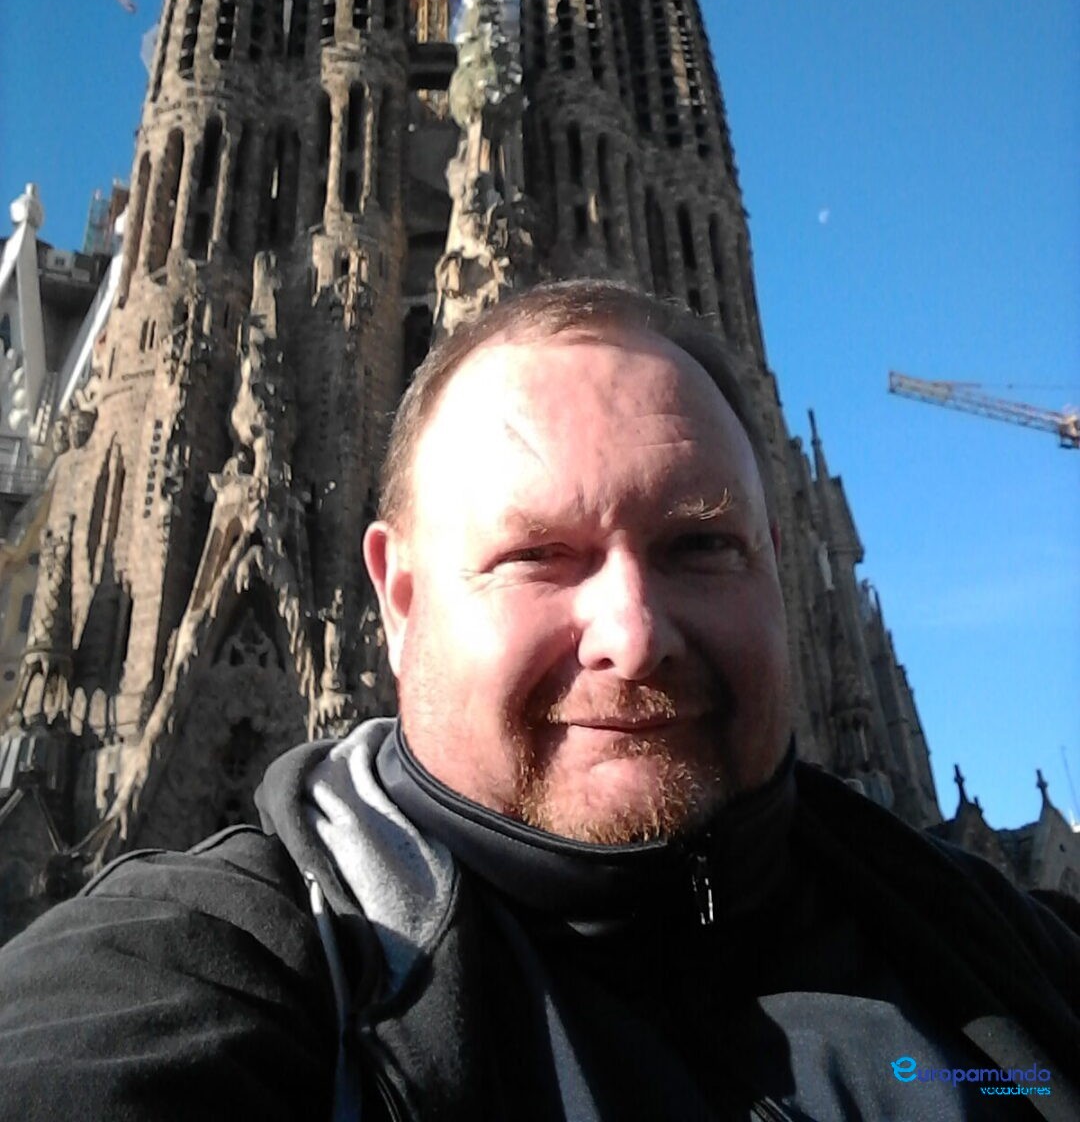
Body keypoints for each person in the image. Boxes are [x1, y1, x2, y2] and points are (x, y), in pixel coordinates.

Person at [0, 279, 1077, 1122]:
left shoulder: (1009, 963)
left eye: (699, 542)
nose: (634, 634)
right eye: (537, 555)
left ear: (781, 556)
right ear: (400, 595)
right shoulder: (231, 966)